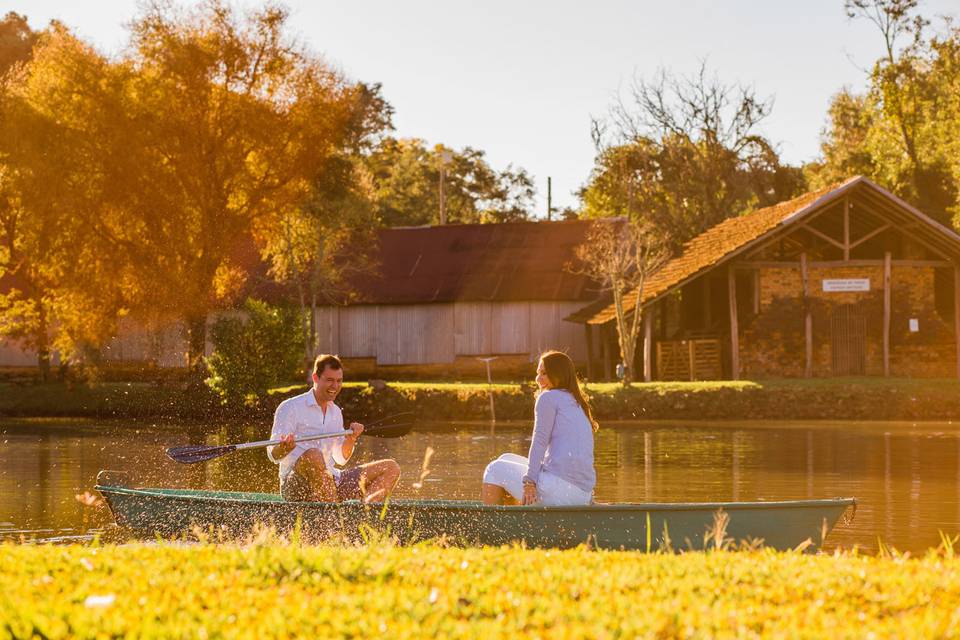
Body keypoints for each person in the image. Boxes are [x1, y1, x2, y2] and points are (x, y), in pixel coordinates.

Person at [267, 354, 401, 503]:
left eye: (339, 381)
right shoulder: (290, 407)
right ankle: (336, 518)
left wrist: (350, 440)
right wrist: (283, 448)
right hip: (295, 485)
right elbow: (273, 455)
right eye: (330, 380)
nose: (335, 386)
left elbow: (340, 458)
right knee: (313, 455)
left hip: (332, 480)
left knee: (391, 467)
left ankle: (364, 514)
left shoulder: (335, 412)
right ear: (315, 378)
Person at [481, 350, 598, 506]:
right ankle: (519, 519)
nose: (538, 378)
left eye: (544, 373)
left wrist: (530, 483)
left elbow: (539, 441)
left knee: (494, 469)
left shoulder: (548, 398)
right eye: (538, 373)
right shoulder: (576, 401)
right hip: (582, 495)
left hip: (561, 493)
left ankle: (494, 527)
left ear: (559, 374)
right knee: (505, 458)